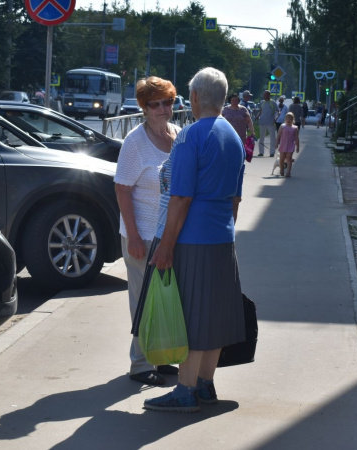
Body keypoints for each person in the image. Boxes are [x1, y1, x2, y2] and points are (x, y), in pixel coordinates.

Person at [142, 67, 246, 413]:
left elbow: (181, 197)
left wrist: (167, 245)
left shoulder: (189, 136)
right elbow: (235, 199)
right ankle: (205, 385)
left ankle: (184, 391)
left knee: (190, 317)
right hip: (222, 238)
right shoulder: (233, 136)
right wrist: (224, 231)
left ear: (196, 97)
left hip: (192, 239)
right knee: (213, 315)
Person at [114, 76, 182, 386]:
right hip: (140, 234)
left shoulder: (177, 135)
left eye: (167, 101)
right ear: (144, 107)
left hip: (169, 236)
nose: (163, 108)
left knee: (165, 299)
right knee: (143, 300)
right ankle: (140, 364)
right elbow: (122, 190)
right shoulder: (135, 142)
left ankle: (162, 356)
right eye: (155, 103)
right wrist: (135, 237)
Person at [276, 112, 300, 177]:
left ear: (293, 120)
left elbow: (296, 138)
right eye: (287, 118)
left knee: (289, 159)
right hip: (283, 145)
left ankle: (288, 172)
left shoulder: (295, 128)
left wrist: (298, 146)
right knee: (282, 158)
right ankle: (281, 169)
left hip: (290, 145)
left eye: (290, 119)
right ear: (285, 119)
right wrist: (276, 143)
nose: (288, 120)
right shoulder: (282, 126)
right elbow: (278, 135)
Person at [255, 90, 278, 157]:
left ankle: (272, 152)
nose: (264, 97)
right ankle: (261, 152)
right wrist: (257, 116)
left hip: (270, 123)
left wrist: (275, 118)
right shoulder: (262, 102)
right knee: (261, 138)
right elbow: (261, 110)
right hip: (262, 122)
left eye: (266, 95)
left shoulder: (273, 102)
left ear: (269, 95)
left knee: (272, 138)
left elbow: (277, 111)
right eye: (264, 95)